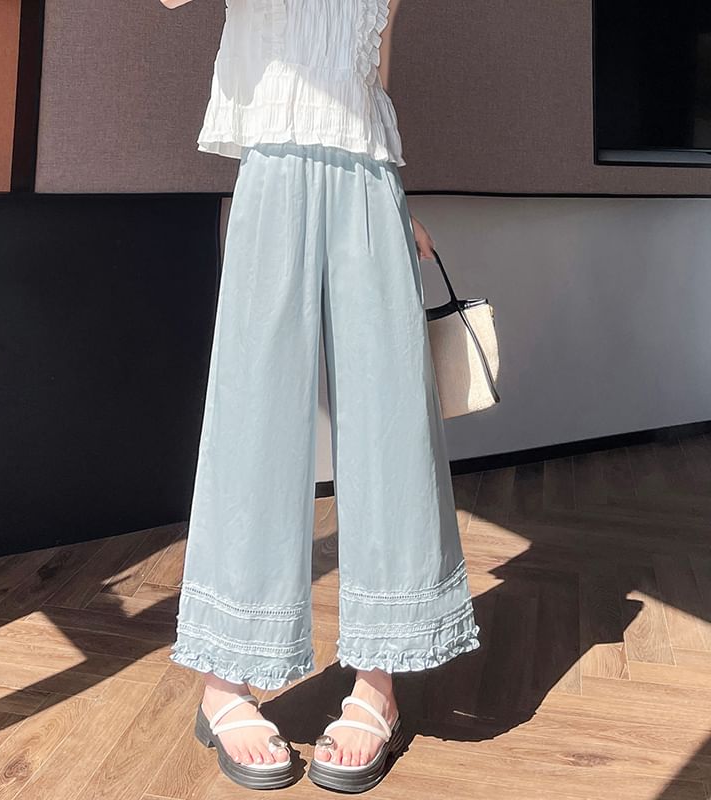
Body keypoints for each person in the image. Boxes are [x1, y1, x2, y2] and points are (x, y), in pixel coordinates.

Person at [160, 0, 481, 792]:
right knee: (253, 423)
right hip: (273, 166)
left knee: (391, 426)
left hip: (369, 176)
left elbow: (373, 72)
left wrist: (398, 194)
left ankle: (379, 680)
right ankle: (224, 679)